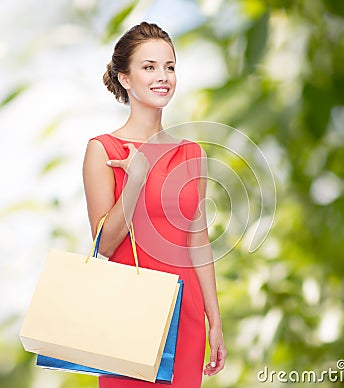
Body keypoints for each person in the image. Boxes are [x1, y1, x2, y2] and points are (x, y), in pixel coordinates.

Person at [82, 21, 227, 388]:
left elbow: (198, 242)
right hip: (127, 317)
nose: (163, 76)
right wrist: (136, 180)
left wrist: (215, 319)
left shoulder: (191, 154)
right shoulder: (102, 151)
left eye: (170, 66)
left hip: (187, 317)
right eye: (149, 67)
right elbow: (105, 244)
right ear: (125, 78)